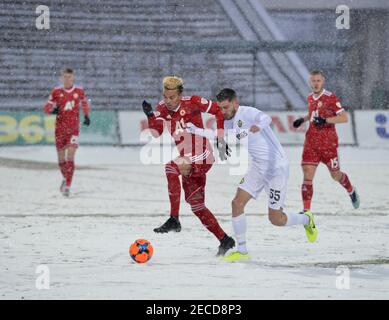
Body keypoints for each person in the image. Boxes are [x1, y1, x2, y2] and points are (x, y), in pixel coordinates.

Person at [186, 88, 317, 262]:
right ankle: (242, 251)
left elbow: (266, 118)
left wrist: (259, 126)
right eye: (220, 108)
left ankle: (306, 219)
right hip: (257, 167)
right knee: (236, 203)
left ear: (235, 103)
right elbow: (221, 136)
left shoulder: (247, 112)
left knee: (276, 219)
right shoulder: (226, 122)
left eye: (225, 107)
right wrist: (198, 131)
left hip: (276, 168)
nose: (222, 111)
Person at [142, 76, 234, 256]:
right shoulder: (161, 107)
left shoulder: (192, 102)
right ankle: (225, 240)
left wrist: (221, 137)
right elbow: (157, 132)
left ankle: (174, 219)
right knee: (196, 205)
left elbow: (218, 111)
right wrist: (150, 115)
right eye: (166, 97)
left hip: (203, 155)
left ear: (180, 94)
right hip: (188, 159)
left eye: (172, 97)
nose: (168, 101)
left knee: (170, 167)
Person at [293, 70, 360, 211]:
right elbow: (312, 114)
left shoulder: (331, 98)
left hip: (328, 145)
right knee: (307, 174)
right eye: (313, 81)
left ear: (323, 81)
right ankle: (307, 212)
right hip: (311, 143)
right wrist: (303, 119)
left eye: (318, 81)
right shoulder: (310, 98)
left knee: (336, 175)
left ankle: (351, 190)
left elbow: (344, 117)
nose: (316, 83)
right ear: (310, 82)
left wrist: (325, 120)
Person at [43, 68, 90, 197]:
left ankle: (68, 186)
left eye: (69, 76)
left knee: (70, 156)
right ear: (61, 78)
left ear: (73, 77)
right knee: (61, 160)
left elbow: (85, 103)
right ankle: (65, 178)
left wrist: (86, 116)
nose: (67, 79)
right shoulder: (56, 91)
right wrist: (52, 111)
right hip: (60, 129)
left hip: (73, 129)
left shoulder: (79, 91)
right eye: (65, 76)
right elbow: (46, 107)